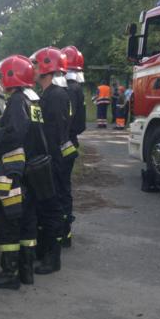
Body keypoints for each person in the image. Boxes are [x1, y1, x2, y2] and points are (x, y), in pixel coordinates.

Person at [0, 55, 46, 290]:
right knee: (27, 222)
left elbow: (14, 134)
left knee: (7, 220)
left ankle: (9, 274)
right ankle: (25, 271)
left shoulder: (17, 101)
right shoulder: (33, 100)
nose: (1, 80)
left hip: (13, 174)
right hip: (31, 173)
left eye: (3, 75)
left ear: (12, 76)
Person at [31, 47, 72, 275]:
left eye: (36, 65)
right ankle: (44, 251)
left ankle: (52, 258)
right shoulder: (50, 94)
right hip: (50, 159)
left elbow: (53, 133)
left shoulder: (55, 96)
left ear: (46, 68)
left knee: (51, 210)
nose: (33, 69)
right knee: (45, 208)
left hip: (52, 161)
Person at [61, 46, 86, 248]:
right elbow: (80, 125)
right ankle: (65, 232)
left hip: (63, 145)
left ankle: (63, 233)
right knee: (64, 188)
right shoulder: (77, 88)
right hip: (71, 143)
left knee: (60, 189)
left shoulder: (68, 89)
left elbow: (65, 122)